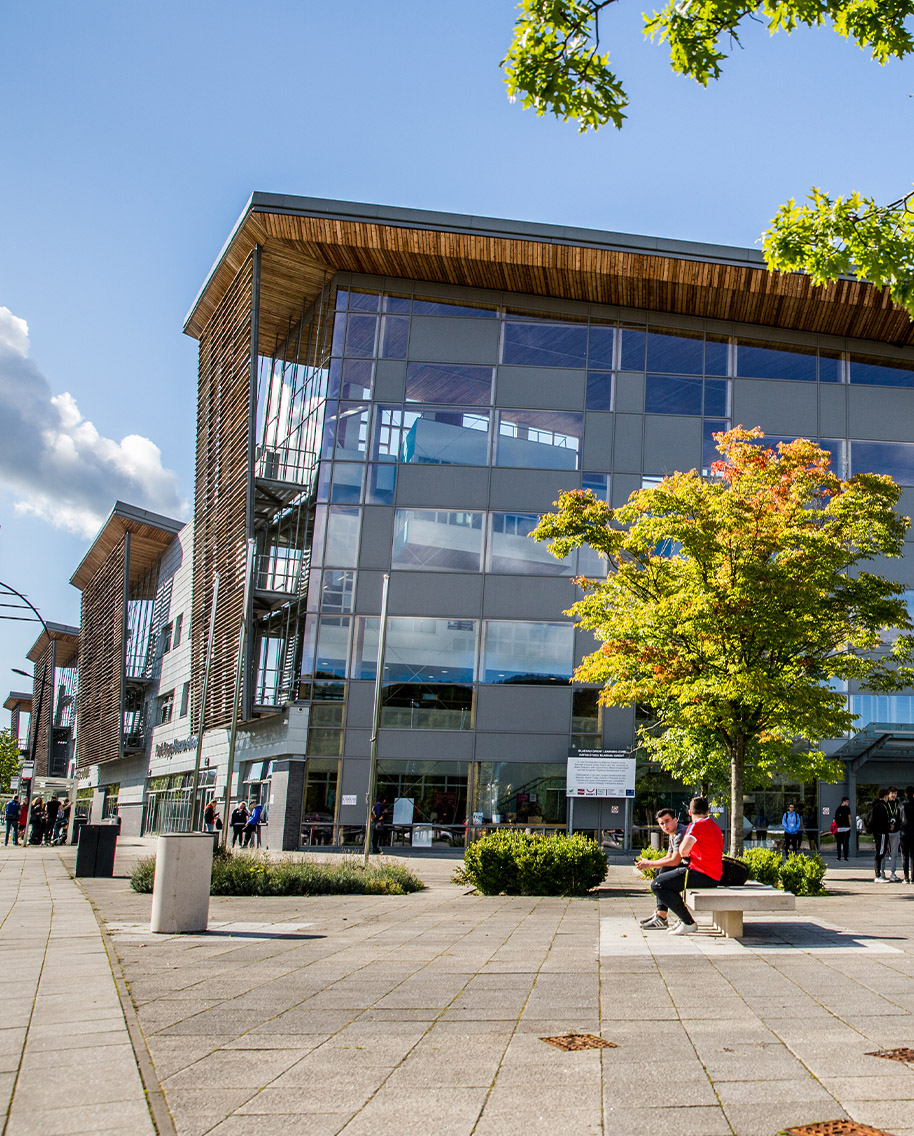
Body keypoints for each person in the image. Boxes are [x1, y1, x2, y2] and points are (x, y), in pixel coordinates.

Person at [634, 796, 723, 936]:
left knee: (657, 885)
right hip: (713, 874)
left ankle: (688, 922)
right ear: (707, 812)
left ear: (689, 812)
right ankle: (668, 917)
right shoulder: (715, 826)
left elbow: (683, 851)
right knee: (664, 876)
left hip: (701, 873)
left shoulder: (695, 826)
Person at [639, 808, 689, 930]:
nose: (664, 826)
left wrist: (649, 864)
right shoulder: (673, 834)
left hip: (694, 869)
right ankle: (660, 914)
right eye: (661, 823)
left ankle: (662, 917)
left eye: (667, 821)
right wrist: (650, 863)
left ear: (675, 820)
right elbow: (668, 857)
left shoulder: (680, 833)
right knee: (660, 870)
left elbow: (675, 861)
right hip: (686, 867)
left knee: (664, 872)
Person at [869, 788, 891, 882]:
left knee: (880, 852)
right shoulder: (882, 807)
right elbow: (882, 821)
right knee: (880, 853)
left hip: (878, 832)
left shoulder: (876, 806)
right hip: (881, 832)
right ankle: (878, 875)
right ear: (885, 796)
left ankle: (878, 874)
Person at [902, 787, 914, 884]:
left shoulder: (901, 805)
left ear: (905, 794)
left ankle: (906, 877)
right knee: (913, 856)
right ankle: (913, 877)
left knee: (905, 855)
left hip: (904, 832)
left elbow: (897, 819)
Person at [833, 796, 852, 861]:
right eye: (847, 801)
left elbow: (834, 819)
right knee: (845, 843)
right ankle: (845, 857)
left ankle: (839, 856)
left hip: (839, 828)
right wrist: (850, 826)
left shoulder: (838, 809)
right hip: (846, 827)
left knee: (839, 843)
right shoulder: (847, 809)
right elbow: (849, 817)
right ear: (843, 801)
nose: (848, 803)